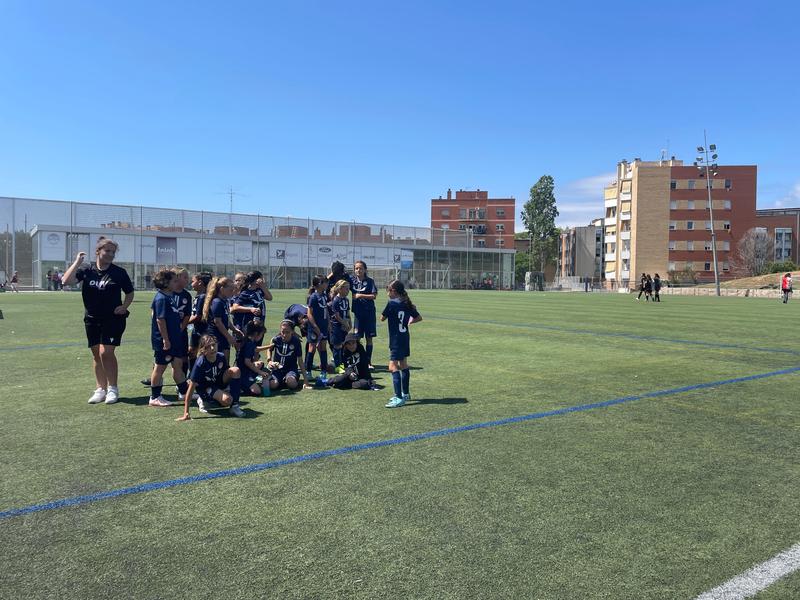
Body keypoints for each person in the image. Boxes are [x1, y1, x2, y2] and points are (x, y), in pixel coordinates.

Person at [61, 237, 134, 404]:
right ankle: (100, 389)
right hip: (92, 319)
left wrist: (124, 306)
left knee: (105, 352)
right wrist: (77, 263)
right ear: (98, 251)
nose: (110, 254)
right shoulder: (87, 270)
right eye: (107, 251)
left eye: (113, 252)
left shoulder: (119, 272)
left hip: (113, 319)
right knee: (96, 354)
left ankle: (112, 389)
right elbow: (66, 281)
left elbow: (129, 293)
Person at [176, 334, 244, 420]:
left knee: (236, 370)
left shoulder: (221, 357)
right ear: (203, 350)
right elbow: (191, 387)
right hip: (206, 388)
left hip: (217, 383)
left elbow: (227, 374)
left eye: (213, 345)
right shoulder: (200, 363)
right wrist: (186, 413)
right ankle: (203, 401)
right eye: (208, 346)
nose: (212, 348)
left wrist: (233, 387)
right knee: (227, 400)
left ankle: (235, 406)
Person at [148, 269, 190, 407]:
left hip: (174, 339)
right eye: (174, 280)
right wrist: (166, 340)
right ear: (165, 283)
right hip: (164, 341)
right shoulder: (161, 298)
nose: (177, 282)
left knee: (177, 364)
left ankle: (184, 392)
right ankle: (155, 397)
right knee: (160, 367)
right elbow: (160, 320)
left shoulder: (170, 296)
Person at [380, 279, 422, 408]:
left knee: (392, 366)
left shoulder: (391, 304)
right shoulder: (407, 303)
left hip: (396, 339)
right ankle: (406, 393)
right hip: (404, 337)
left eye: (388, 290)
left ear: (394, 291)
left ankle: (398, 397)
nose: (387, 293)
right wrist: (408, 322)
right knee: (403, 364)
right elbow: (418, 318)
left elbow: (382, 318)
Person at [202, 276, 240, 364]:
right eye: (231, 290)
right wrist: (229, 337)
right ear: (222, 289)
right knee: (218, 364)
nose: (233, 292)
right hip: (215, 337)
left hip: (223, 336)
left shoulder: (225, 301)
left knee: (225, 364)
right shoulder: (217, 302)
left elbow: (225, 319)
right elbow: (218, 322)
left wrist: (234, 329)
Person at [266, 320, 310, 392]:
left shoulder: (296, 342)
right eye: (282, 332)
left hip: (291, 369)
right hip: (277, 369)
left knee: (292, 384)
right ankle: (282, 380)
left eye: (287, 332)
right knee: (272, 385)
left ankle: (289, 379)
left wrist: (306, 380)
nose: (284, 335)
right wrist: (269, 361)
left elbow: (300, 361)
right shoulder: (275, 339)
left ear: (292, 331)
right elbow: (269, 349)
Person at [349, 260, 378, 369]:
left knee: (369, 338)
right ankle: (357, 360)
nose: (358, 270)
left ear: (365, 270)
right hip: (358, 314)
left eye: (361, 268)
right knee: (357, 338)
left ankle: (368, 362)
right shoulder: (351, 281)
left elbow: (374, 296)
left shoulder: (370, 281)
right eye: (356, 268)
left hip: (369, 313)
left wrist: (360, 295)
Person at [231, 270, 272, 339]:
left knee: (256, 348)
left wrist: (263, 286)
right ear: (257, 280)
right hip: (251, 327)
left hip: (260, 325)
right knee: (249, 348)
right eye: (262, 278)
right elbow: (235, 307)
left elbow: (270, 297)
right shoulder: (245, 293)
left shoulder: (259, 290)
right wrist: (251, 309)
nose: (263, 280)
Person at [305, 276, 330, 384]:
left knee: (323, 347)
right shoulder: (313, 297)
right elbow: (309, 313)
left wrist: (328, 323)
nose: (327, 284)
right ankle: (308, 371)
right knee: (312, 348)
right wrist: (315, 326)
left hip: (324, 326)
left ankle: (323, 371)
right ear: (320, 283)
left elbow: (326, 310)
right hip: (314, 327)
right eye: (325, 282)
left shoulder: (324, 295)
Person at [237, 321, 271, 395]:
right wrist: (260, 372)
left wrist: (270, 346)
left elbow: (256, 349)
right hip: (243, 373)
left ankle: (251, 381)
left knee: (260, 363)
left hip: (245, 370)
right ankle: (240, 388)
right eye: (262, 334)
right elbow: (247, 362)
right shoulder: (249, 344)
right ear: (256, 334)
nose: (262, 336)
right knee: (257, 391)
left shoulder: (249, 340)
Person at [329, 278, 351, 371]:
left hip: (344, 325)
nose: (348, 290)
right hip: (337, 326)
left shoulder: (346, 300)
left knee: (343, 346)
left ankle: (343, 365)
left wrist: (350, 323)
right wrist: (344, 323)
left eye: (348, 288)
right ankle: (338, 367)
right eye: (346, 288)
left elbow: (348, 312)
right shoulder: (336, 301)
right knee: (337, 347)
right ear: (340, 289)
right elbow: (337, 316)